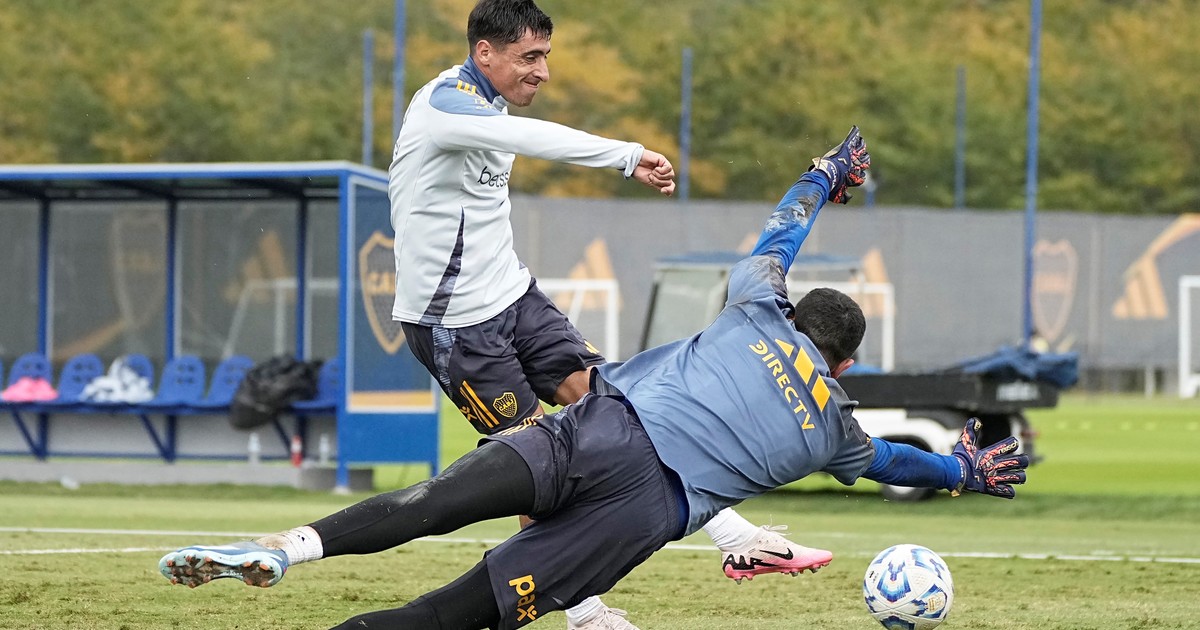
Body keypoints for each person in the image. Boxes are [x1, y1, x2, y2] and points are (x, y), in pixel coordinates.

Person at [159, 127, 1030, 629]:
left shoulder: (757, 304)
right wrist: (961, 471)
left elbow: (781, 231)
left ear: (795, 314)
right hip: (640, 512)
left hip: (598, 431)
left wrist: (824, 174)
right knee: (453, 615)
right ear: (845, 365)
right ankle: (683, 565)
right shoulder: (834, 429)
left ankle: (288, 547)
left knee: (428, 504)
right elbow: (892, 463)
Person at [386, 1, 827, 627]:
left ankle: (735, 537)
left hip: (513, 296)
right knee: (535, 461)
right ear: (484, 52)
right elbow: (530, 139)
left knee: (621, 401)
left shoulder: (491, 105)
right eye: (529, 57)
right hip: (454, 325)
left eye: (545, 56)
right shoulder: (444, 105)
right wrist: (626, 155)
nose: (542, 71)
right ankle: (584, 612)